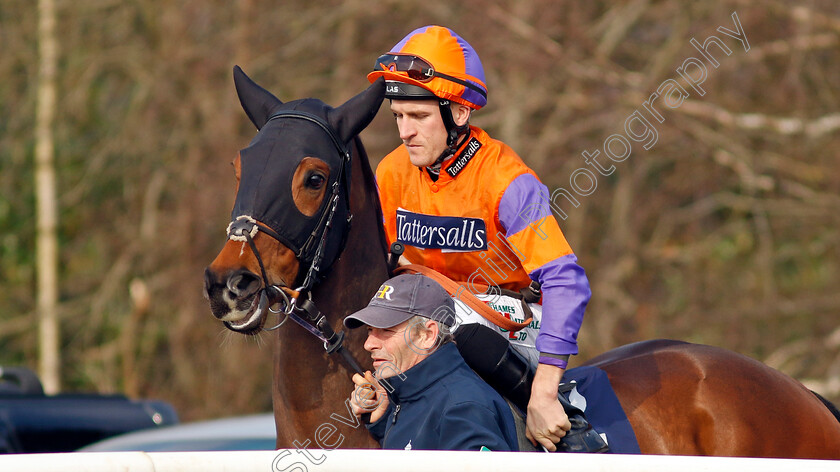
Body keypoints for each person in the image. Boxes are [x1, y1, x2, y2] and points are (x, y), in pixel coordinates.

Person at [367, 25, 592, 452]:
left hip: (511, 323)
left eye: (418, 117)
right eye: (398, 115)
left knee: (461, 328)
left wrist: (544, 388)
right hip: (428, 322)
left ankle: (565, 423)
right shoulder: (391, 172)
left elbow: (566, 281)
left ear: (460, 113)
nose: (404, 131)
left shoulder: (507, 181)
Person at [345, 273, 518, 451]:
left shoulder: (463, 409)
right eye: (370, 330)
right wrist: (383, 422)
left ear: (427, 335)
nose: (368, 344)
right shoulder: (414, 395)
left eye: (386, 330)